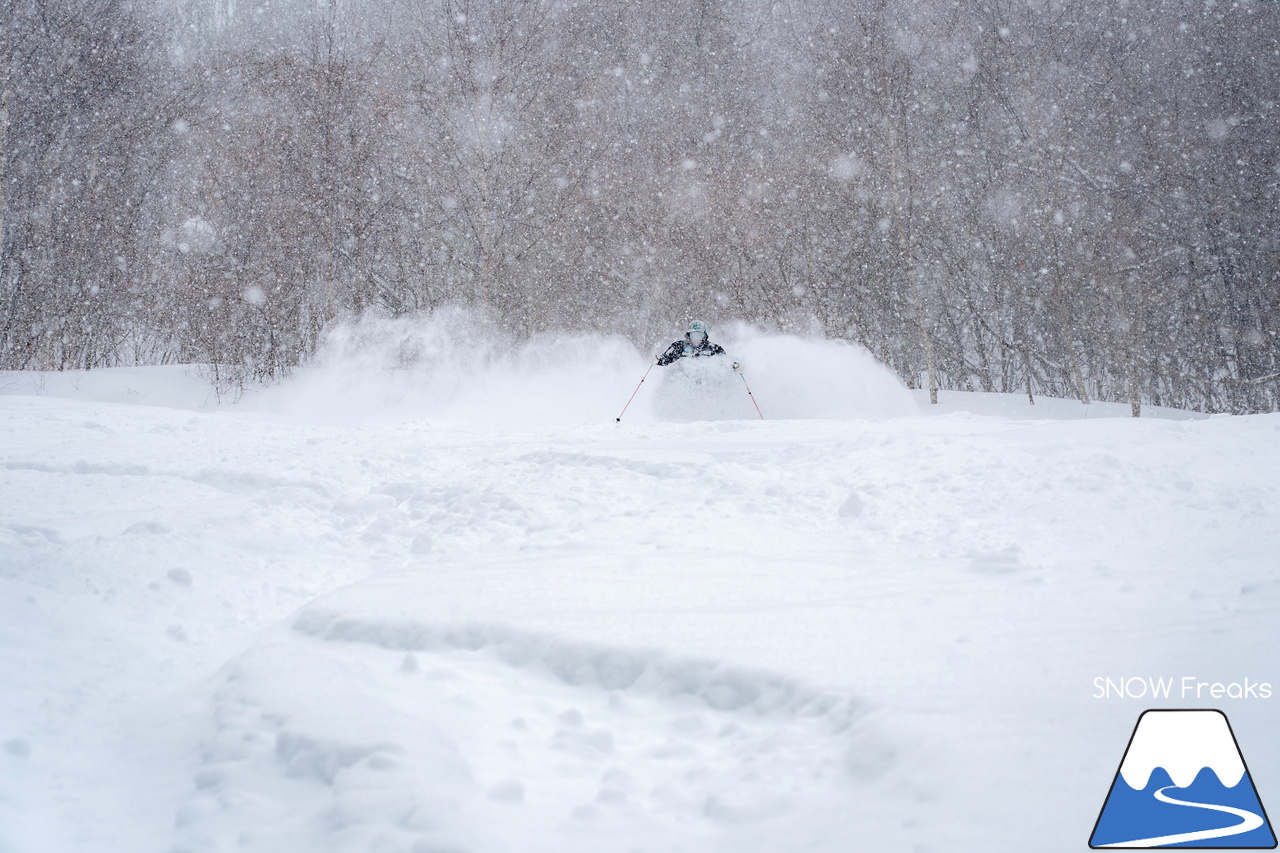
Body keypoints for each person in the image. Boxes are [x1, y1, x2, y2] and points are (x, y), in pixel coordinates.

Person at [656, 321, 741, 372]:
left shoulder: (713, 348)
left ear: (704, 336)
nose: (696, 338)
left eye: (699, 335)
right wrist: (659, 360)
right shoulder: (679, 346)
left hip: (707, 383)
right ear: (689, 335)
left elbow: (724, 360)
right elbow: (667, 358)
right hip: (685, 383)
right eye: (694, 335)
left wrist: (734, 365)